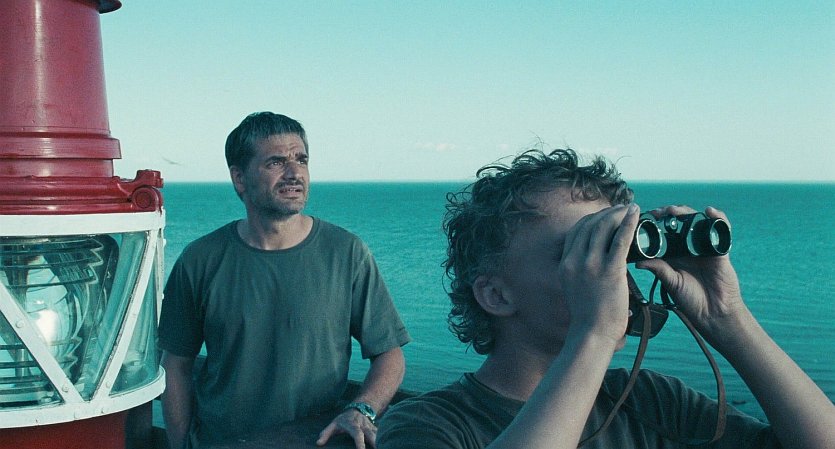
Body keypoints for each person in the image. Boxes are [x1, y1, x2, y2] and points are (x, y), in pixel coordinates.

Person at [377, 149, 835, 449]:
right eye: (583, 251)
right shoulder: (428, 425)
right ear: (496, 294)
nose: (612, 271)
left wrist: (728, 318)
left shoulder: (650, 400)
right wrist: (593, 334)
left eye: (617, 247)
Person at [159, 112, 411, 449]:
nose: (295, 173)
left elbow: (390, 355)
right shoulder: (200, 260)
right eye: (276, 162)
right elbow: (176, 366)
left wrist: (361, 409)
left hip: (315, 442)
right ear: (239, 178)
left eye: (301, 160)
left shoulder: (346, 253)